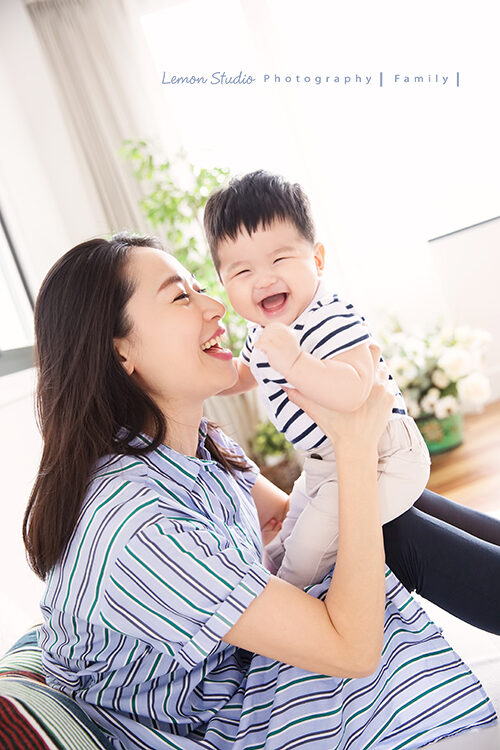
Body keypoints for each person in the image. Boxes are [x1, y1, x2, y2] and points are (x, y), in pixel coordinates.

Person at [23, 234, 497, 750]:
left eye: (201, 287)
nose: (215, 306)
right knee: (374, 518)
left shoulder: (190, 444)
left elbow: (297, 518)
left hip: (238, 673)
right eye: (181, 297)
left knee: (382, 515)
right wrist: (353, 445)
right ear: (120, 352)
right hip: (226, 723)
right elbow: (351, 649)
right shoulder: (139, 525)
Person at [204, 170, 431, 589]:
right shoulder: (261, 334)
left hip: (383, 457)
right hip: (326, 463)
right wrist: (202, 376)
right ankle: (265, 585)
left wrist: (295, 361)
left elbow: (354, 391)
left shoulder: (329, 316)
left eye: (279, 259)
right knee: (287, 536)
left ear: (318, 260)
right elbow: (242, 374)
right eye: (242, 272)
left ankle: (291, 613)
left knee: (309, 551)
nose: (264, 279)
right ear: (224, 285)